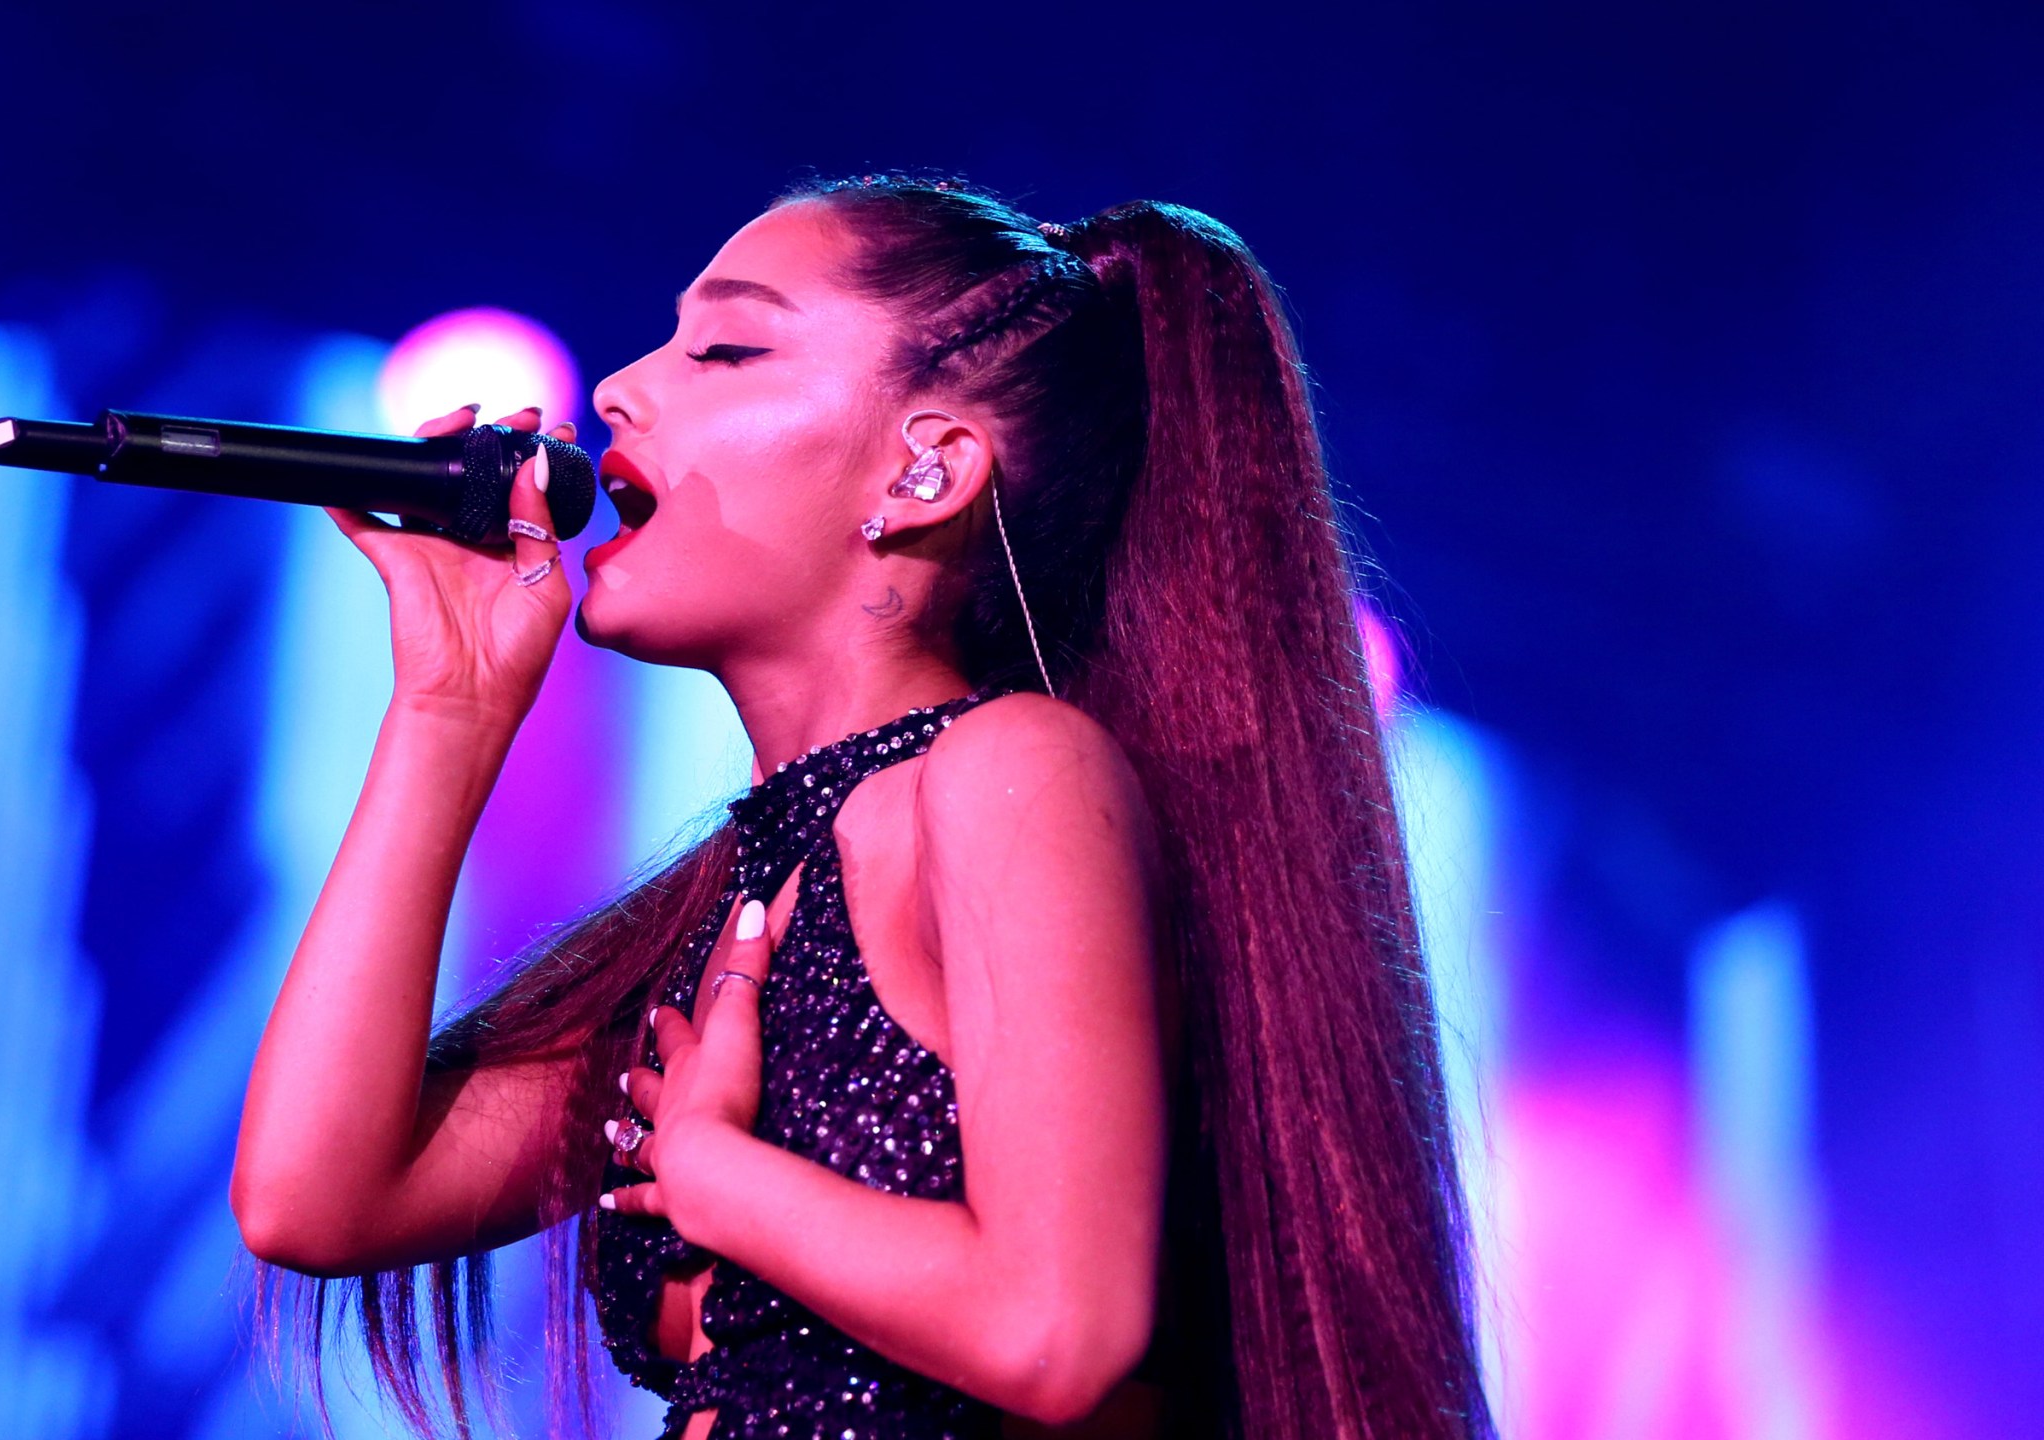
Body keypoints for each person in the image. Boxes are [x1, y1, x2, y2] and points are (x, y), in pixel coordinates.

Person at [231, 175, 1490, 1440]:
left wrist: (718, 1175)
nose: (616, 388)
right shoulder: (730, 909)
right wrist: (448, 710)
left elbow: (1059, 1329)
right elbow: (317, 1197)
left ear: (926, 472)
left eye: (725, 347)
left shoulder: (1011, 774)